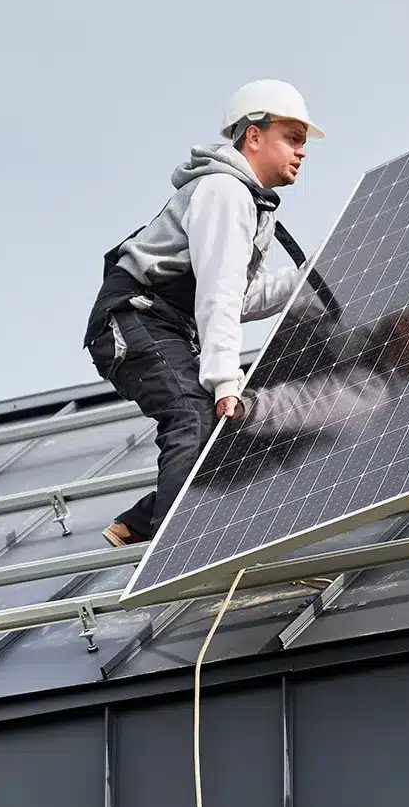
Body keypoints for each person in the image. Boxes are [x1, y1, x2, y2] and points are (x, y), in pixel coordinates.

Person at [85, 80, 323, 547]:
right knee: (194, 414)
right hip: (135, 320)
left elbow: (240, 296)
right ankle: (180, 549)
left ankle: (143, 520)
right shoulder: (224, 193)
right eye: (292, 138)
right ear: (254, 135)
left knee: (220, 431)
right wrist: (224, 380)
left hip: (165, 323)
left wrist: (312, 277)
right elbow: (217, 295)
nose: (302, 152)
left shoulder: (252, 204)